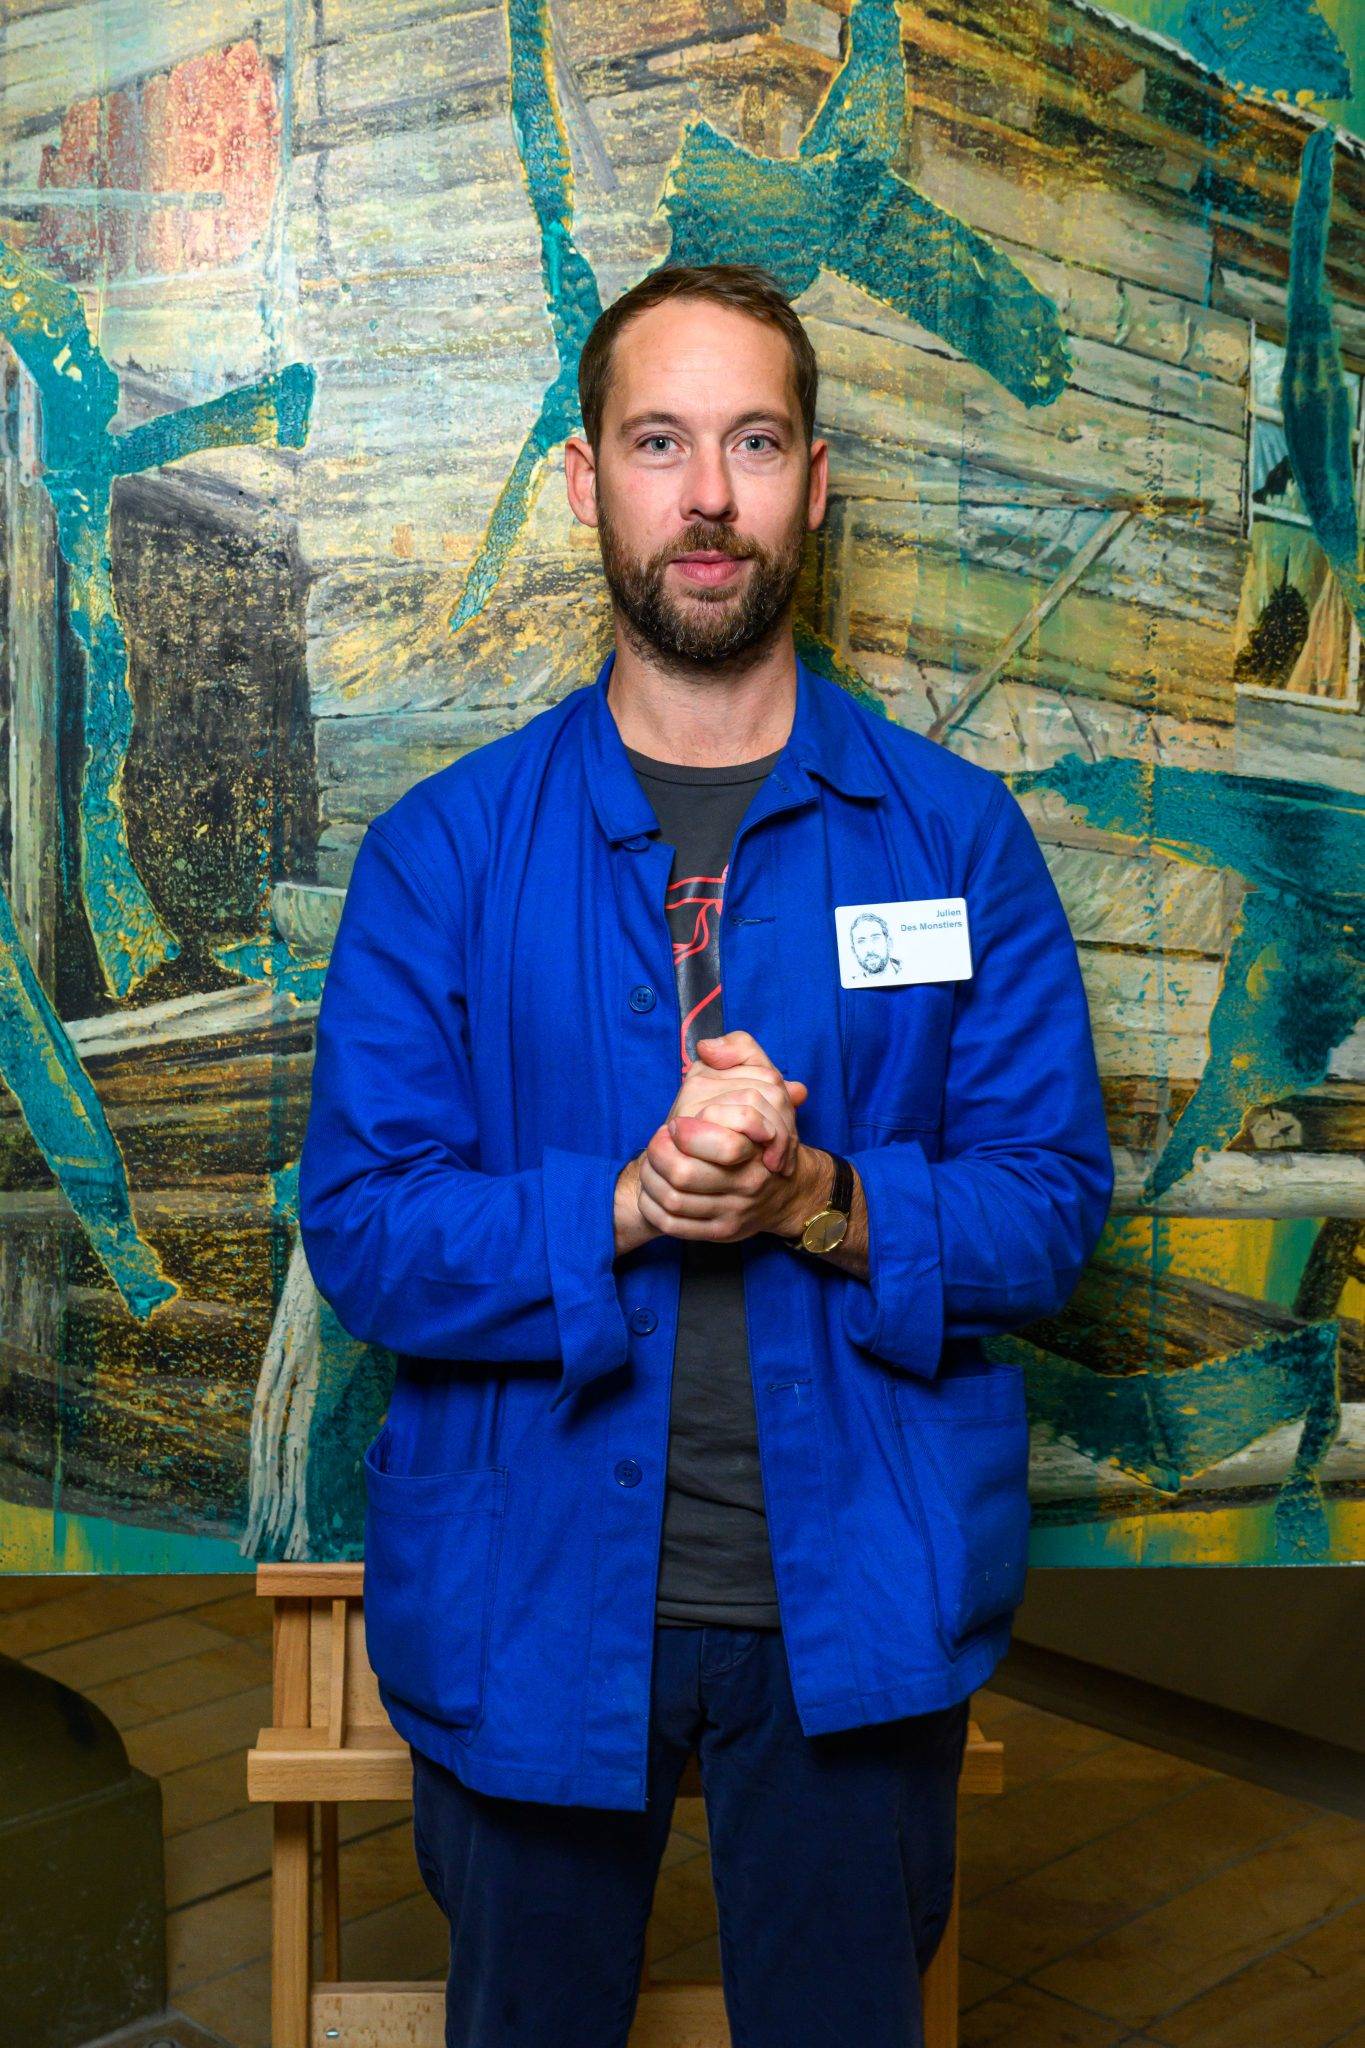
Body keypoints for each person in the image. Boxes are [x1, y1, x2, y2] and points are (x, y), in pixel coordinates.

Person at [297, 261, 1115, 2048]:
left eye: (752, 441)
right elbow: (362, 1230)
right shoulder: (441, 856)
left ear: (816, 480)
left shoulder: (955, 841)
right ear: (590, 481)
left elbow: (1053, 1207)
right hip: (529, 1597)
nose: (710, 497)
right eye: (660, 443)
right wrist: (620, 1205)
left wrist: (821, 1204)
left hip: (860, 1602)